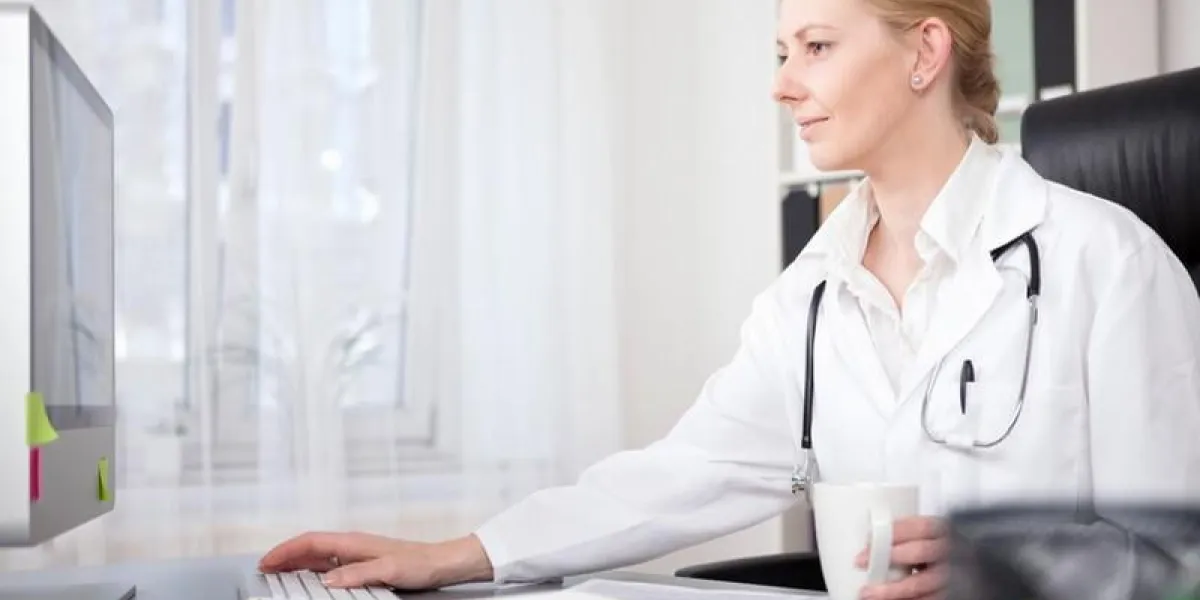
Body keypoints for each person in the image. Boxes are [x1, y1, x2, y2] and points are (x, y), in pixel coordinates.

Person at [258, 0, 1200, 598]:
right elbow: (680, 474)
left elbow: (1180, 559)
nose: (784, 85)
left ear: (925, 52)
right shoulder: (813, 295)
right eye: (783, 51)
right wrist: (452, 556)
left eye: (816, 47)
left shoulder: (1106, 263)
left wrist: (1010, 570)